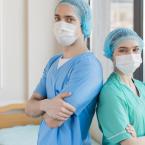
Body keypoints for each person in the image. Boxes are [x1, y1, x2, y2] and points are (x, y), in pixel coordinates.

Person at [25, 0, 103, 145]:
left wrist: (40, 106)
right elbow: (29, 108)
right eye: (57, 18)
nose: (61, 24)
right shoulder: (53, 62)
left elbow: (52, 120)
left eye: (69, 19)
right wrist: (46, 105)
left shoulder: (89, 66)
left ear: (84, 25)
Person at [97, 28, 145, 145]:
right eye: (123, 50)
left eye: (135, 49)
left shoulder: (141, 87)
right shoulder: (110, 92)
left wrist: (139, 140)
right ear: (111, 54)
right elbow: (128, 143)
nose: (131, 55)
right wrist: (134, 141)